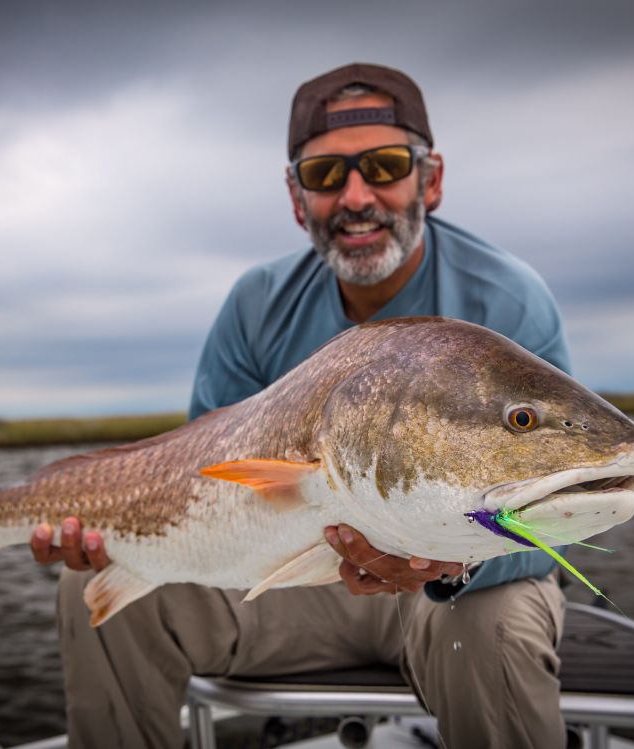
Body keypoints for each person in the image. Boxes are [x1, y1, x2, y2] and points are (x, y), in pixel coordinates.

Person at [31, 63, 571, 748]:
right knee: (96, 598)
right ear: (295, 197)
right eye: (323, 176)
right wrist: (120, 535)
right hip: (296, 589)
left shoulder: (508, 301)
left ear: (429, 179)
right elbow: (201, 485)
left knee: (495, 625)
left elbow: (557, 522)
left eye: (382, 166)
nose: (355, 196)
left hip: (453, 597)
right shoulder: (255, 305)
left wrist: (446, 563)